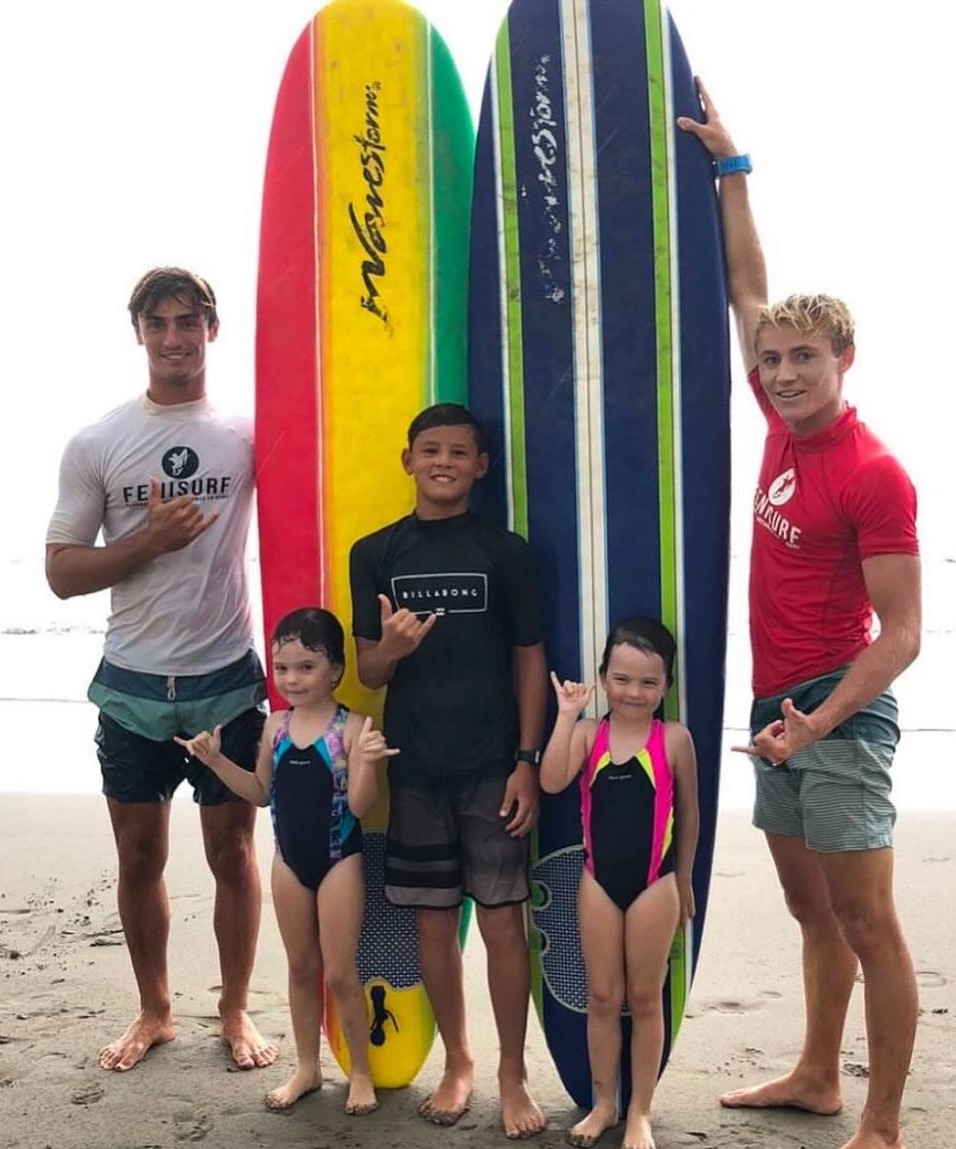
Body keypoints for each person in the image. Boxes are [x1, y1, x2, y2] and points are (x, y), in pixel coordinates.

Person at [678, 86, 921, 1149]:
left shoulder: (871, 474)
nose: (778, 374)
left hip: (836, 720)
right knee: (807, 911)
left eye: (800, 360)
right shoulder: (780, 432)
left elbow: (902, 635)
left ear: (842, 362)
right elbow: (745, 286)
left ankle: (879, 1120)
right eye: (769, 362)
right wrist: (732, 168)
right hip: (776, 709)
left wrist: (819, 722)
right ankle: (817, 1076)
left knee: (867, 922)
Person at [45, 267, 277, 1073]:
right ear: (137, 332)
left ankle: (236, 1009)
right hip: (135, 688)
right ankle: (155, 1010)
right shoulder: (99, 442)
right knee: (141, 858)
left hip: (226, 680)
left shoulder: (248, 433)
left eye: (189, 321)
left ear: (213, 329)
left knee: (233, 857)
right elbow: (62, 574)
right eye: (159, 323)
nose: (174, 338)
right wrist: (149, 540)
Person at [348, 403, 549, 1139]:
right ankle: (459, 1061)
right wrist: (394, 646)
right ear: (408, 460)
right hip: (416, 764)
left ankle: (511, 1071)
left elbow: (531, 657)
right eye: (429, 449)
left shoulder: (507, 551)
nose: (443, 461)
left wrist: (527, 761)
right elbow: (368, 667)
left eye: (458, 452)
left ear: (480, 466)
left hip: (493, 764)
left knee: (501, 920)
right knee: (435, 920)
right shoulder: (375, 552)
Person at [176, 607, 390, 1114]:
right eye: (283, 668)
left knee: (339, 972)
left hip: (341, 858)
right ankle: (307, 1068)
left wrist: (368, 764)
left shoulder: (354, 728)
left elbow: (360, 808)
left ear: (335, 670)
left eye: (306, 667)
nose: (292, 679)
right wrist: (214, 761)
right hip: (289, 861)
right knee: (299, 968)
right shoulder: (274, 726)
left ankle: (359, 1072)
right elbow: (260, 792)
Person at [540, 618, 699, 1149]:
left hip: (657, 883)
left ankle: (641, 1112)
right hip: (597, 883)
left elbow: (691, 815)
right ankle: (604, 1104)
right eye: (623, 679)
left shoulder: (674, 739)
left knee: (645, 998)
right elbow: (551, 780)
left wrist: (688, 881)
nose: (635, 693)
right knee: (604, 997)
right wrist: (565, 716)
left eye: (649, 683)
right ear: (605, 677)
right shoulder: (590, 734)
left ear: (667, 686)